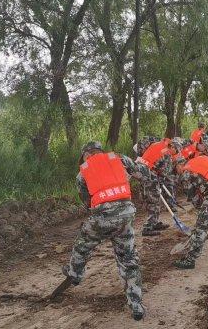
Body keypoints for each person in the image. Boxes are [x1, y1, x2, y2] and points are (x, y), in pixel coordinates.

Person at [63, 141, 149, 321]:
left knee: (83, 244)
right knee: (128, 260)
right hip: (126, 215)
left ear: (86, 155)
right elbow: (143, 174)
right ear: (100, 151)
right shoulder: (120, 159)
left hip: (102, 217)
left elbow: (87, 203)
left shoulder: (82, 174)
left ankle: (75, 273)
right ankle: (136, 305)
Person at [136, 138, 174, 236]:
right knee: (153, 200)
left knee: (155, 199)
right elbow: (164, 171)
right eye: (176, 151)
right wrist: (161, 180)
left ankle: (155, 222)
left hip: (144, 171)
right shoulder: (166, 151)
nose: (175, 153)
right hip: (148, 173)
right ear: (172, 147)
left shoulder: (158, 145)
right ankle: (147, 227)